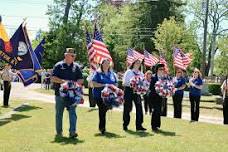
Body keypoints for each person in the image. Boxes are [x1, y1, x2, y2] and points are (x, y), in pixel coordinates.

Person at [51, 48, 83, 138]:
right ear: (66, 55)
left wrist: (74, 84)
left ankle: (72, 132)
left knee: (73, 113)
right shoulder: (59, 65)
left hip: (72, 95)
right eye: (71, 55)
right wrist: (64, 82)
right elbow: (53, 78)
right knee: (59, 114)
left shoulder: (76, 67)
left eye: (74, 56)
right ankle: (59, 132)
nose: (73, 57)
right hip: (59, 94)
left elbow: (81, 79)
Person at [92, 59, 118, 134]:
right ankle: (102, 128)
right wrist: (105, 85)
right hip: (99, 95)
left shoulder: (112, 73)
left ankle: (102, 127)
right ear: (102, 64)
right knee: (102, 109)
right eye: (105, 63)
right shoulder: (98, 72)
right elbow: (94, 84)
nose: (107, 65)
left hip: (109, 96)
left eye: (108, 63)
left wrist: (113, 88)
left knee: (104, 109)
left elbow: (116, 83)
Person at [123, 59, 146, 131]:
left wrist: (141, 88)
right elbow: (124, 83)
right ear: (133, 63)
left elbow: (143, 83)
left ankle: (139, 126)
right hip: (128, 91)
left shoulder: (141, 73)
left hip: (137, 92)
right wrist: (132, 84)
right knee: (127, 108)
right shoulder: (129, 72)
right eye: (137, 63)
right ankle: (125, 124)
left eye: (139, 63)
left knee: (139, 108)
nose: (138, 64)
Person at [149, 63, 165, 131]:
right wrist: (157, 89)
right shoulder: (153, 77)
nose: (162, 70)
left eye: (162, 69)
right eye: (160, 69)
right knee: (155, 111)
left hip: (160, 97)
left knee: (159, 111)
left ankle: (157, 125)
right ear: (157, 70)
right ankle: (153, 126)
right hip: (153, 96)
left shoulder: (164, 78)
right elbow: (151, 87)